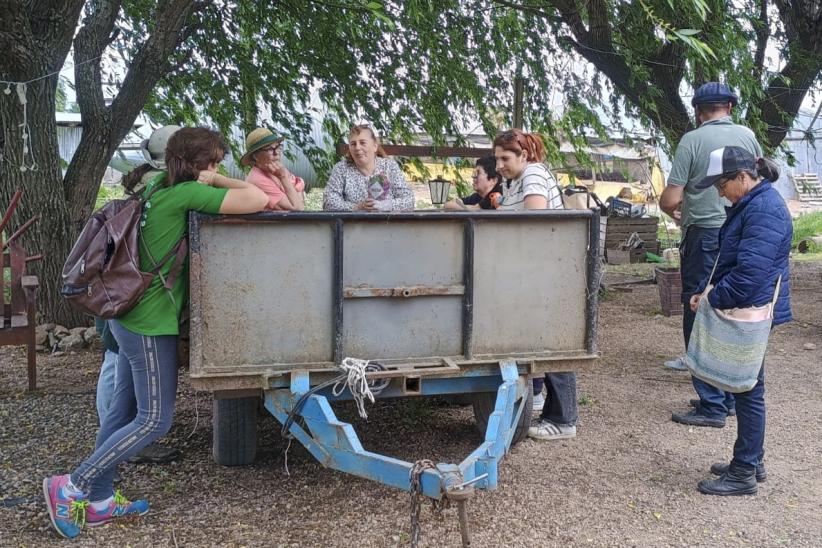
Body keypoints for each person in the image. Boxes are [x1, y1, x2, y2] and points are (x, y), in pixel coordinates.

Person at [43, 127, 268, 539]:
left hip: (126, 318)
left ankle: (100, 500)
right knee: (154, 420)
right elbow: (259, 199)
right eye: (215, 161)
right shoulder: (184, 193)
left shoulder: (154, 188)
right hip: (150, 323)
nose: (218, 168)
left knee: (121, 413)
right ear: (200, 164)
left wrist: (209, 177)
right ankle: (72, 484)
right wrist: (215, 181)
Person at [688, 146, 791, 495]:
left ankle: (745, 471)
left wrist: (713, 298)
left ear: (743, 177)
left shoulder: (763, 210)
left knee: (748, 389)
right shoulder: (753, 204)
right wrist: (707, 290)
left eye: (721, 185)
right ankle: (751, 460)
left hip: (752, 309)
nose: (719, 192)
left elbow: (750, 273)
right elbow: (735, 263)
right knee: (749, 388)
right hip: (752, 306)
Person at [659, 82, 762, 428]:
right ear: (730, 107)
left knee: (698, 308)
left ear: (698, 112)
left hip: (704, 234)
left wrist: (678, 209)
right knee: (729, 309)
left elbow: (670, 200)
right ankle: (729, 395)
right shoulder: (748, 136)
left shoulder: (691, 140)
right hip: (740, 228)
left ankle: (712, 404)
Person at [489, 129, 574, 440]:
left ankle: (564, 420)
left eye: (504, 158)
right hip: (532, 271)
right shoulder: (514, 181)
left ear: (524, 155)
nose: (498, 164)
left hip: (546, 270)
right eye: (496, 158)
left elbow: (534, 223)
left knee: (555, 343)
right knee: (535, 338)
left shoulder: (534, 174)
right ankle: (537, 398)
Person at [323, 124, 414, 211]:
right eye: (353, 144)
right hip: (353, 225)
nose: (357, 147)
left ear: (375, 147)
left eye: (362, 143)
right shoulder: (341, 169)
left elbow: (409, 201)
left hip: (387, 225)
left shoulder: (389, 166)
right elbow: (328, 202)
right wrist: (357, 208)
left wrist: (384, 205)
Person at [241, 127, 305, 211]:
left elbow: (299, 184)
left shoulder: (276, 171)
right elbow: (298, 209)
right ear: (255, 156)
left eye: (278, 147)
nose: (277, 153)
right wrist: (284, 178)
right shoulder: (258, 179)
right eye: (270, 149)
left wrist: (297, 191)